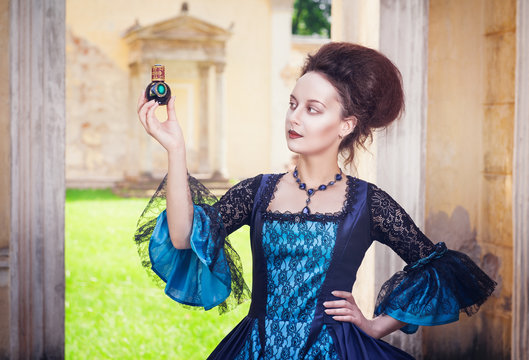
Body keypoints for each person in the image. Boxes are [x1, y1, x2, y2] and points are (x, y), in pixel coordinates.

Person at [134, 42, 496, 359]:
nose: (294, 117)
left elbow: (443, 270)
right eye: (293, 104)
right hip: (257, 348)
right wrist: (175, 148)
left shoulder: (369, 203)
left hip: (335, 349)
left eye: (312, 108)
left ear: (345, 125)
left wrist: (374, 327)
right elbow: (183, 237)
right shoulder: (257, 191)